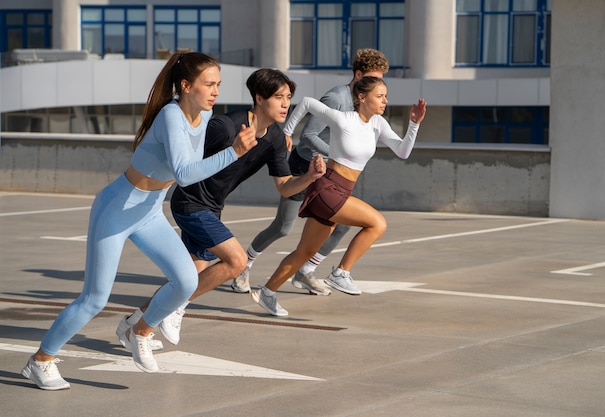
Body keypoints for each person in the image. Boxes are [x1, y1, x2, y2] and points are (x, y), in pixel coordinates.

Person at [21, 52, 257, 390]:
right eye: (209, 84)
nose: (216, 91)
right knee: (95, 298)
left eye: (218, 84)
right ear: (186, 86)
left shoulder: (203, 118)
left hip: (148, 212)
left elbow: (200, 162)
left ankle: (137, 330)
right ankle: (40, 360)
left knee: (186, 280)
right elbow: (185, 174)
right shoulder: (171, 116)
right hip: (117, 209)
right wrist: (234, 152)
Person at [116, 68, 326, 346]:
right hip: (190, 203)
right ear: (260, 98)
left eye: (288, 97)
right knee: (236, 261)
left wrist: (309, 177)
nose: (286, 103)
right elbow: (184, 156)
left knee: (185, 279)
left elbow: (284, 186)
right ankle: (175, 308)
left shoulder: (275, 137)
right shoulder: (226, 126)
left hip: (212, 207)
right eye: (279, 97)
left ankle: (133, 325)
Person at [251, 77, 427, 316]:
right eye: (380, 95)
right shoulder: (343, 118)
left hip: (342, 190)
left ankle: (267, 293)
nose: (385, 100)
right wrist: (287, 134)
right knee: (377, 223)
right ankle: (341, 272)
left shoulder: (378, 124)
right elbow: (306, 103)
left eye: (386, 96)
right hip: (328, 188)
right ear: (362, 97)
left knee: (305, 252)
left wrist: (414, 124)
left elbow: (403, 152)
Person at [232, 48, 390, 297]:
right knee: (282, 228)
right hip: (304, 166)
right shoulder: (337, 98)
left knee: (342, 225)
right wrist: (337, 155)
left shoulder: (367, 105)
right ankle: (244, 266)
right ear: (358, 75)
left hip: (331, 175)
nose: (378, 84)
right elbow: (308, 136)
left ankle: (306, 271)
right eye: (373, 77)